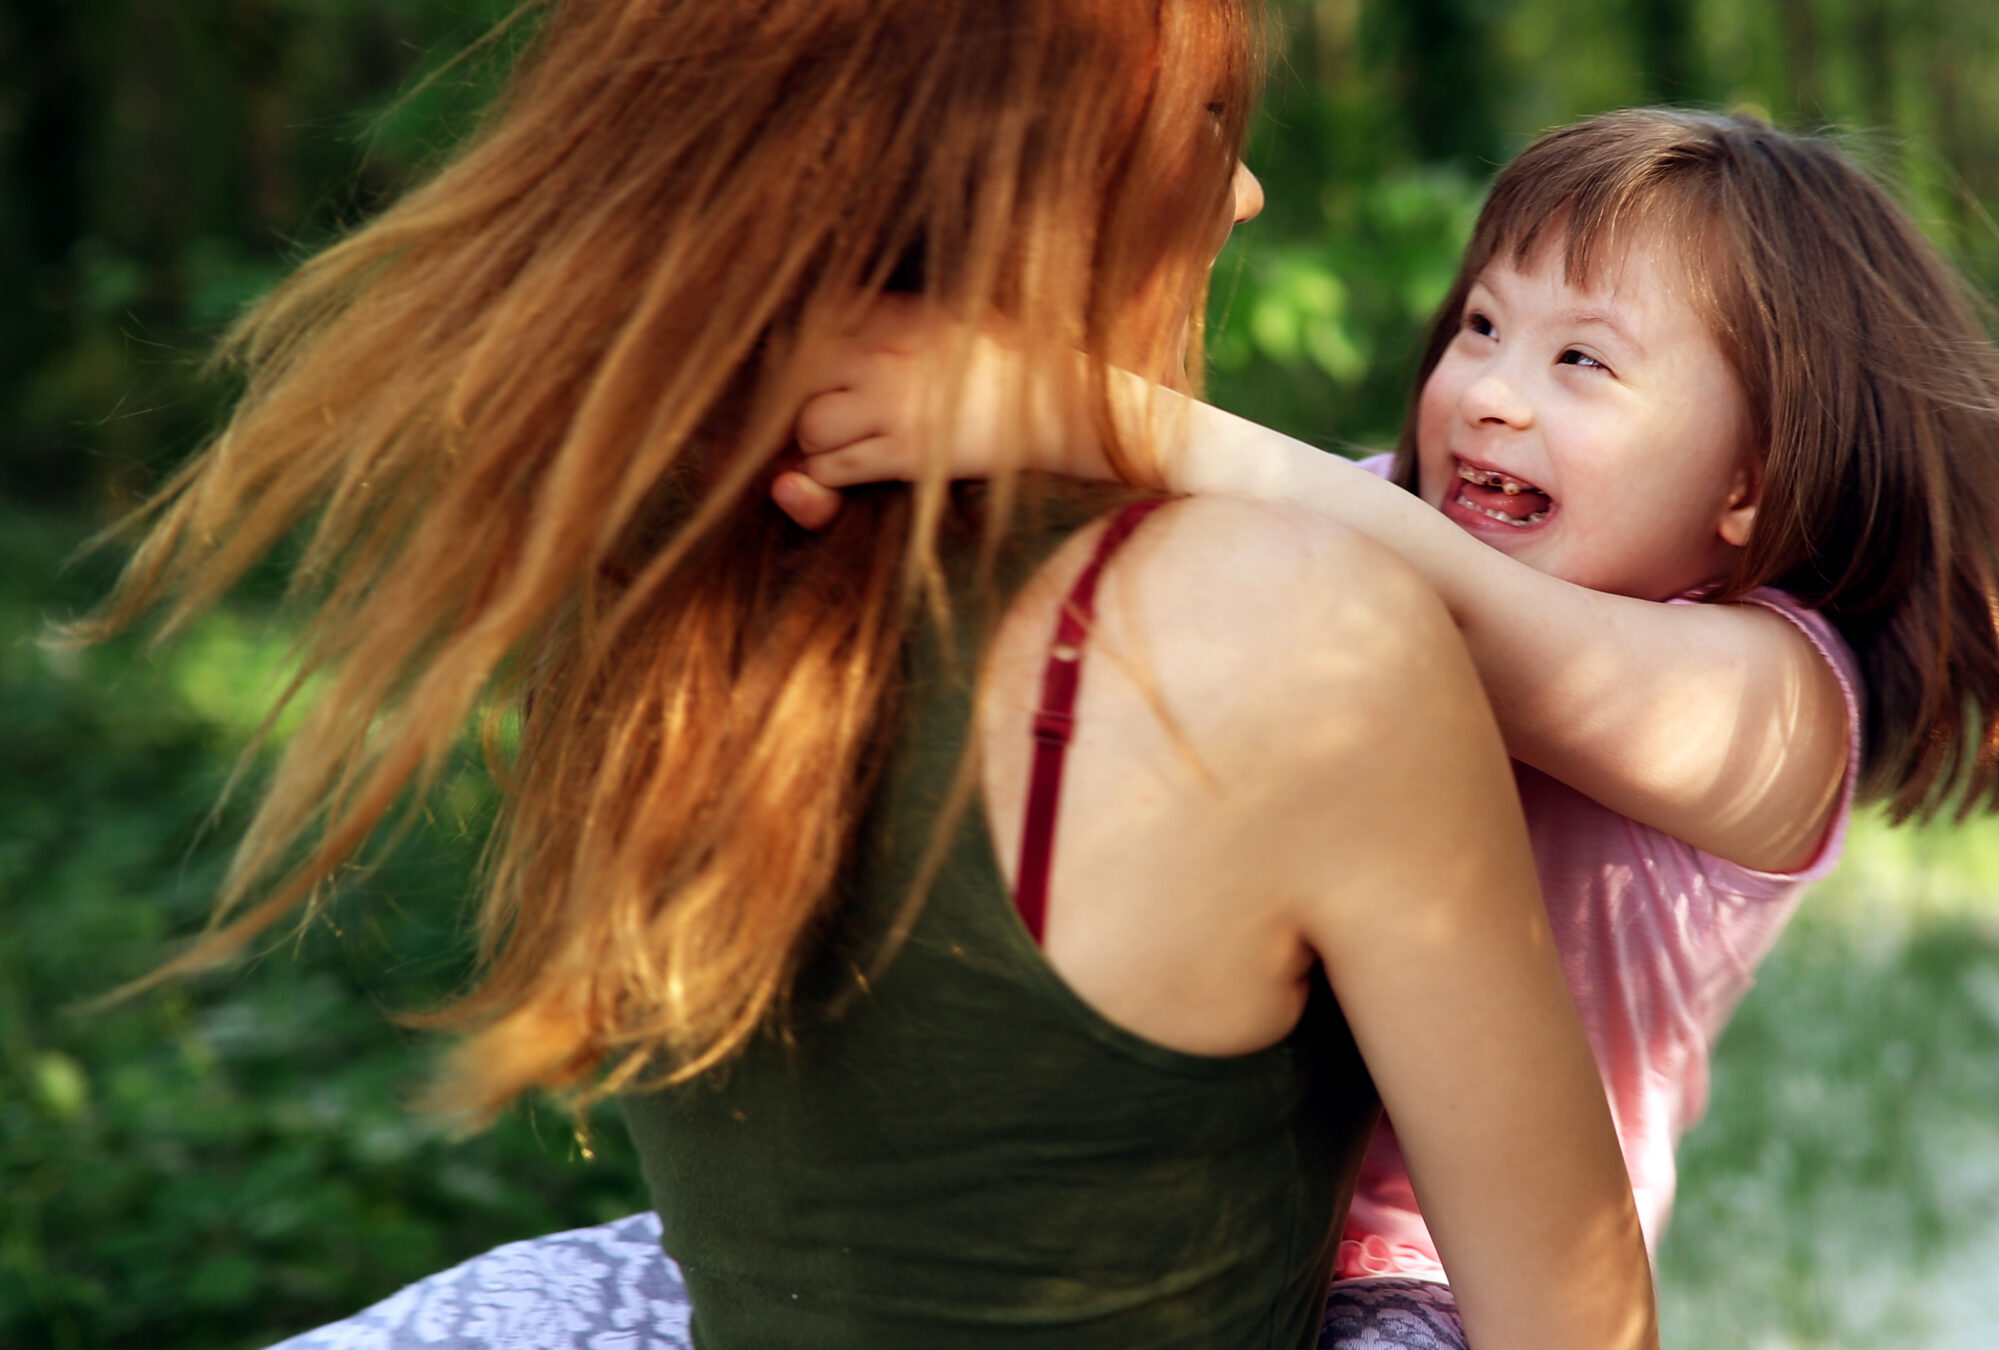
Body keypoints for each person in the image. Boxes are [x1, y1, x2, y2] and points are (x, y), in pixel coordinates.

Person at [69, 4, 1658, 1349]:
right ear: (1062, 155)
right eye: (1208, 120)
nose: (1241, 192)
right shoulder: (1293, 631)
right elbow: (1576, 1318)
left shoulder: (640, 577)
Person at [767, 106, 1999, 1329]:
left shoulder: (1776, 704)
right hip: (1209, 1203)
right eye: (1483, 327)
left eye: (1583, 363)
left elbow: (1465, 626)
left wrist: (1074, 406)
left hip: (1446, 1281)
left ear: (1751, 480)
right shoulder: (1396, 512)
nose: (1491, 392)